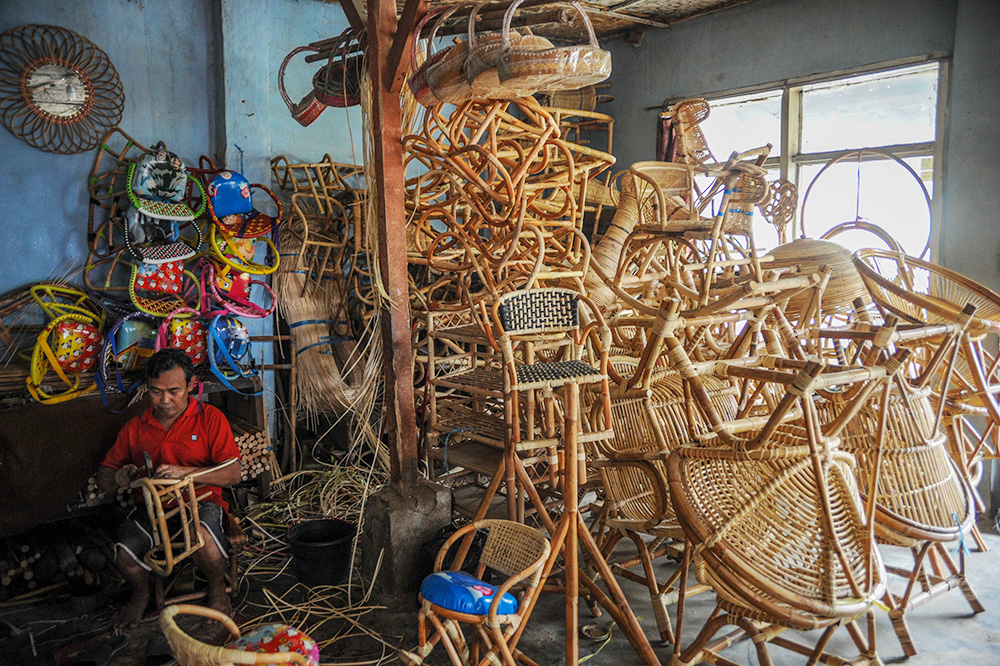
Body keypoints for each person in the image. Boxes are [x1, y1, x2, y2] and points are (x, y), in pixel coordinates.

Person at [97, 348, 241, 628]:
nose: (165, 400)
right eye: (155, 391)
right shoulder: (135, 428)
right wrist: (119, 476)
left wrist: (187, 474)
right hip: (151, 508)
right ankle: (141, 593)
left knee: (204, 540)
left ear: (191, 385)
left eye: (174, 390)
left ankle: (217, 591)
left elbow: (233, 473)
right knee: (123, 554)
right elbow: (104, 478)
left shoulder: (210, 418)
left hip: (201, 502)